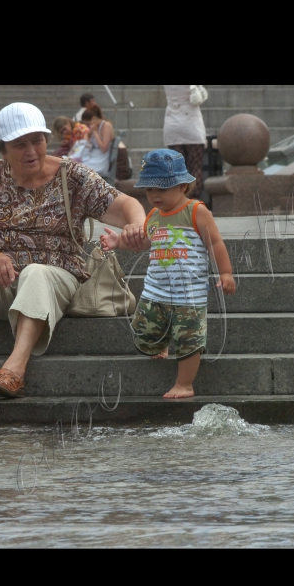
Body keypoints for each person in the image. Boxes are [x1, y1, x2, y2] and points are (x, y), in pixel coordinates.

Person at [0, 103, 147, 401]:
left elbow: (125, 204)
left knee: (35, 273)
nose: (31, 151)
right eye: (20, 144)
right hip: (2, 282)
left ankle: (15, 369)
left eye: (37, 141)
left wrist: (137, 225)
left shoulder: (72, 176)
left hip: (56, 280)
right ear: (3, 149)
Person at [100, 149, 236, 400]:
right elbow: (143, 243)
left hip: (189, 295)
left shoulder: (196, 211)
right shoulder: (153, 216)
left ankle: (185, 383)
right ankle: (159, 342)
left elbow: (215, 243)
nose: (154, 195)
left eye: (161, 189)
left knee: (189, 340)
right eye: (150, 190)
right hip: (155, 291)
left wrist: (225, 272)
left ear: (183, 186)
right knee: (143, 332)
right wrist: (119, 242)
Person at [163, 85, 208, 200]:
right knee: (195, 167)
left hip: (172, 122)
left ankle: (179, 201)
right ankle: (194, 200)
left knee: (177, 169)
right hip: (191, 123)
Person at [82, 107, 115, 178]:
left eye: (88, 124)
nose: (88, 127)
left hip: (101, 160)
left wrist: (95, 132)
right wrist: (88, 139)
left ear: (94, 119)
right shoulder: (93, 126)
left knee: (80, 169)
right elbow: (86, 136)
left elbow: (104, 148)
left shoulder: (106, 126)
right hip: (92, 156)